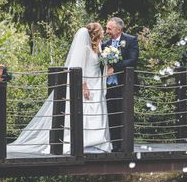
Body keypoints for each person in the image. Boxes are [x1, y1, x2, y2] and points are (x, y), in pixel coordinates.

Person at [6, 23, 112, 154]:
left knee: (96, 111)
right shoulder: (84, 48)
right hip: (88, 84)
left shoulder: (98, 47)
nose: (103, 33)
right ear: (95, 33)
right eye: (101, 31)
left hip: (97, 84)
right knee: (85, 111)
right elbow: (78, 67)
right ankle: (83, 141)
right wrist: (84, 86)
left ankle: (96, 141)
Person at [101, 17, 139, 151]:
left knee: (124, 114)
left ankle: (125, 145)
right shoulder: (105, 45)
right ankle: (114, 144)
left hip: (124, 86)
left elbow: (133, 60)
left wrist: (115, 68)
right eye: (106, 28)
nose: (106, 31)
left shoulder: (130, 40)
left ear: (119, 29)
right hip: (109, 86)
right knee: (111, 114)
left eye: (109, 29)